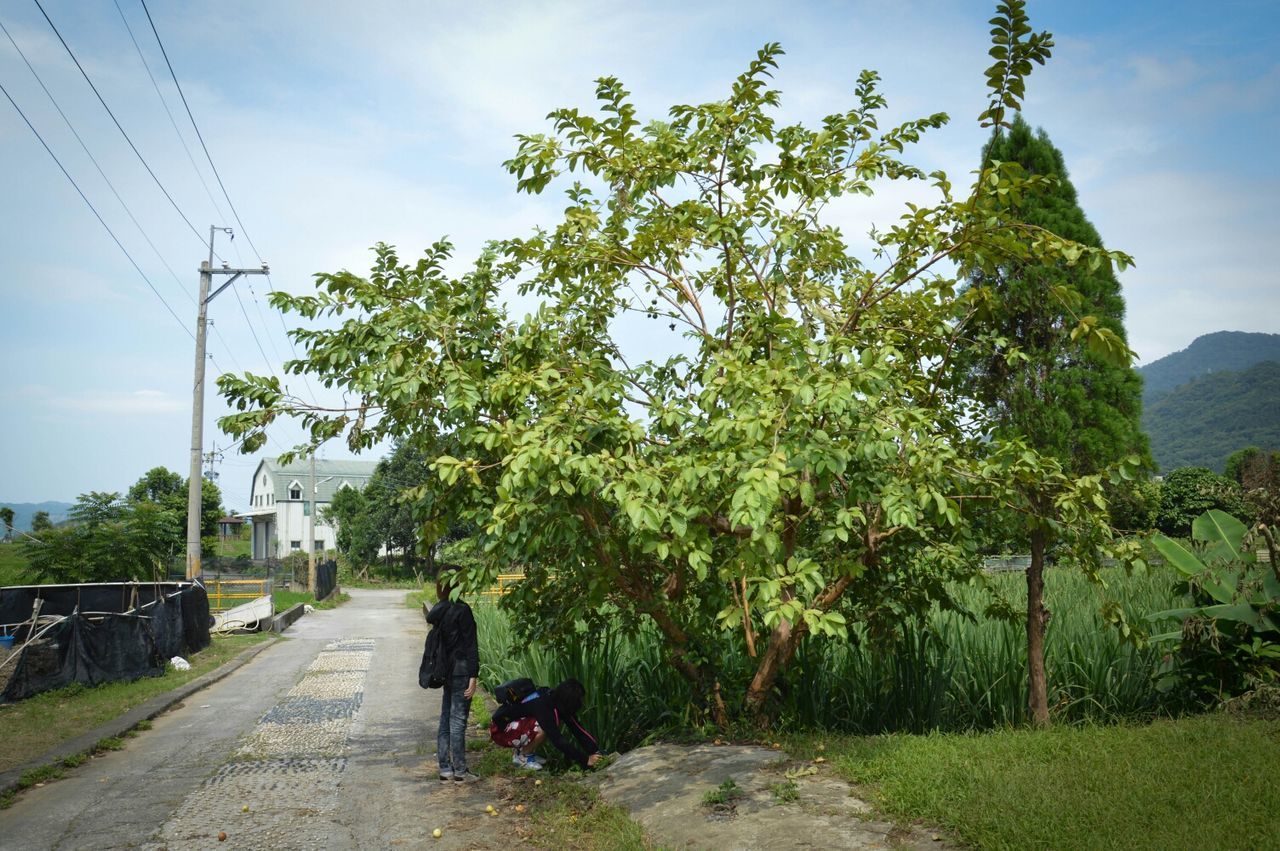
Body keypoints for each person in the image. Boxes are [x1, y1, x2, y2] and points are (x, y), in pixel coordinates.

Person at [426, 565, 479, 783]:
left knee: (445, 719)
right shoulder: (462, 610)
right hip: (461, 670)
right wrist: (473, 675)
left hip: (444, 670)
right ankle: (460, 770)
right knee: (458, 721)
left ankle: (445, 769)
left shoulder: (439, 610)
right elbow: (470, 645)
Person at [489, 678, 602, 771]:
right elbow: (558, 740)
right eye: (579, 700)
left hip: (514, 725)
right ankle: (523, 757)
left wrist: (595, 751)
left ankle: (525, 752)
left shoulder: (556, 699)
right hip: (500, 730)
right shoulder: (544, 707)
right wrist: (585, 760)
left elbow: (577, 728)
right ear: (570, 700)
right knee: (542, 728)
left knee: (545, 727)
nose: (581, 703)